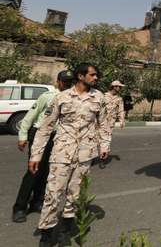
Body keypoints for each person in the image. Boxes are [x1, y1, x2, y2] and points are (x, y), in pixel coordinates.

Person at [29, 63, 111, 247]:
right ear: (81, 76)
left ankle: (65, 231)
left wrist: (104, 145)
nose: (96, 78)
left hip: (84, 154)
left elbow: (104, 124)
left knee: (74, 195)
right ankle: (47, 234)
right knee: (52, 194)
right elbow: (45, 128)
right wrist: (36, 156)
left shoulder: (98, 97)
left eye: (96, 75)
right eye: (92, 75)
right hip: (61, 153)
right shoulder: (61, 97)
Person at [12, 70, 74, 223]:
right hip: (40, 135)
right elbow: (29, 117)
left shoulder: (72, 99)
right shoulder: (46, 97)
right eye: (64, 81)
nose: (67, 84)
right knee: (34, 171)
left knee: (47, 172)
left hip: (58, 139)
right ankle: (20, 208)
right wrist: (22, 136)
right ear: (58, 81)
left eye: (69, 82)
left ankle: (36, 202)